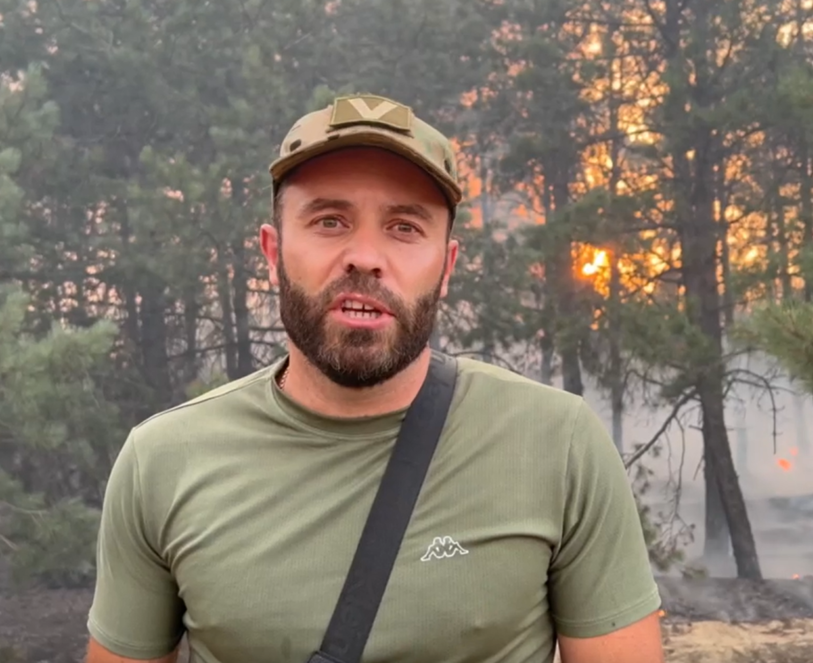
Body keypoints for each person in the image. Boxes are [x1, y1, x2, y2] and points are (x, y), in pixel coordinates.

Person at [84, 94, 665, 663]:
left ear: (446, 267)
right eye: (329, 220)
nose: (364, 256)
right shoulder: (162, 462)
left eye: (405, 227)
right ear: (272, 252)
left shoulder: (557, 444)